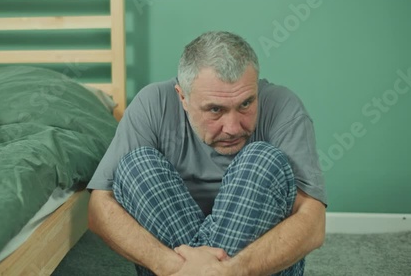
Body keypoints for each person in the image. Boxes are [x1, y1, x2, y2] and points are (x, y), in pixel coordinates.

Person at [87, 31, 327, 276]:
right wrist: (171, 266)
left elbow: (313, 222)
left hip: (251, 268)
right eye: (215, 109)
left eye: (246, 104)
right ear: (183, 97)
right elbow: (99, 208)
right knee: (136, 165)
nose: (233, 127)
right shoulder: (152, 104)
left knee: (263, 160)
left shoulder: (284, 107)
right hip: (173, 258)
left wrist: (232, 271)